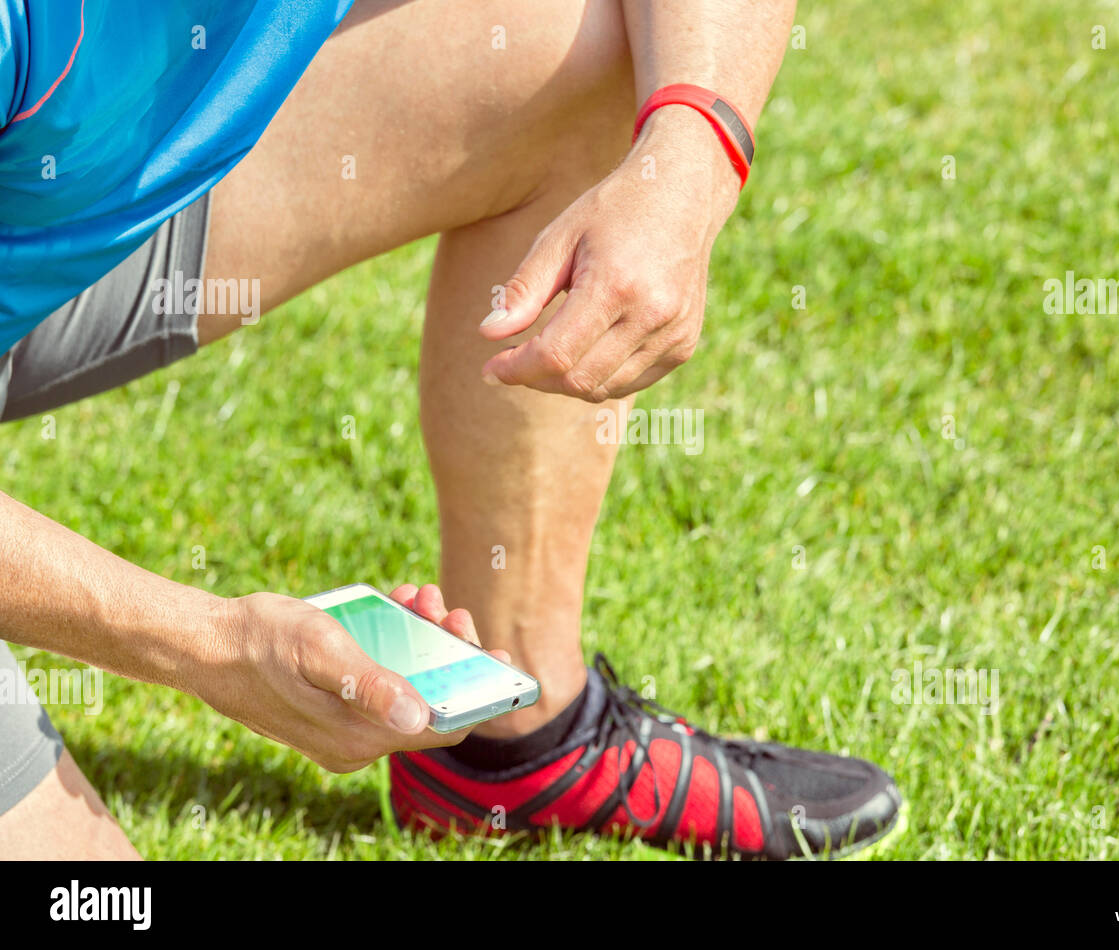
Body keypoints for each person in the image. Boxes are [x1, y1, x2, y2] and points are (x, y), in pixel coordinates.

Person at [0, 0, 900, 860]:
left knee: (578, 46)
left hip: (64, 217)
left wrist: (690, 153)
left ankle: (520, 746)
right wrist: (209, 645)